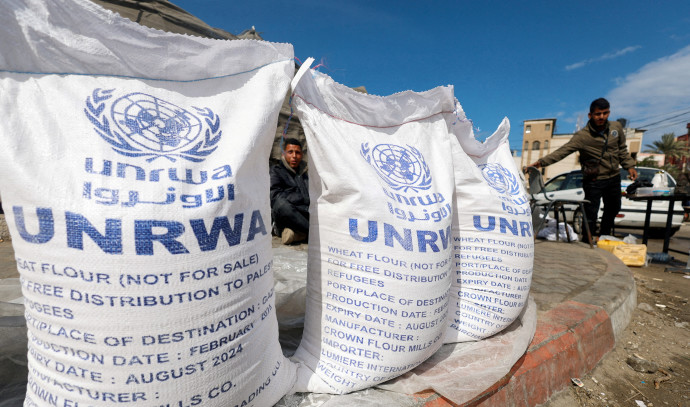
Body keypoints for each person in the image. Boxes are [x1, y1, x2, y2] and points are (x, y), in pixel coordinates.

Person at [529, 98, 638, 240]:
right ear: (590, 115)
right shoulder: (582, 136)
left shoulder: (616, 128)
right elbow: (563, 151)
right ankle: (588, 239)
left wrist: (629, 167)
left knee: (613, 208)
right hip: (594, 180)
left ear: (609, 113)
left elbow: (622, 150)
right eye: (598, 114)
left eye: (605, 113)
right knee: (591, 212)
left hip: (613, 177)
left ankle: (604, 237)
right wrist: (540, 162)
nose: (601, 117)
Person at [270, 138, 309, 244]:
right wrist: (302, 198)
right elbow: (274, 196)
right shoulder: (276, 171)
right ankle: (312, 233)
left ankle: (297, 235)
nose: (294, 156)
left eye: (297, 153)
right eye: (290, 152)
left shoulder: (305, 173)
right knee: (281, 204)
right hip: (287, 215)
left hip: (305, 212)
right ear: (284, 154)